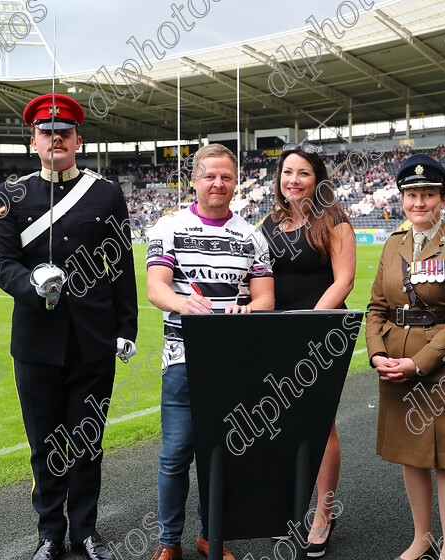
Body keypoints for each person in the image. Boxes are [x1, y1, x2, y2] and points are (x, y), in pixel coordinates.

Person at [0, 93, 138, 560]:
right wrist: (31, 283)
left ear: (79, 138)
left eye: (65, 133)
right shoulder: (12, 195)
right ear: (34, 140)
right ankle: (50, 534)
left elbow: (121, 266)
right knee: (45, 445)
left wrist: (126, 328)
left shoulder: (106, 193)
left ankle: (86, 532)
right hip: (36, 344)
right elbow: (0, 262)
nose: (57, 139)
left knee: (88, 442)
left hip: (93, 341)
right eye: (48, 133)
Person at [145, 144, 274, 560]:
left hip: (234, 361)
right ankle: (169, 544)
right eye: (209, 176)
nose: (218, 183)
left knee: (222, 458)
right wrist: (183, 304)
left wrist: (248, 309)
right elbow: (156, 287)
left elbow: (266, 299)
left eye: (226, 176)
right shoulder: (168, 226)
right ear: (195, 180)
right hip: (183, 359)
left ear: (236, 182)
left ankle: (209, 535)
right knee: (175, 456)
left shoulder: (253, 235)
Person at [366, 153, 445, 560]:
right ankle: (422, 538)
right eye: (411, 195)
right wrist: (378, 354)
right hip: (396, 368)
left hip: (443, 368)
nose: (419, 203)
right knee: (412, 457)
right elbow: (376, 308)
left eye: (428, 194)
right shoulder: (393, 243)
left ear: (443, 198)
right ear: (402, 199)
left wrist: (419, 362)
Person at [260, 143, 355, 557]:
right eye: (286, 173)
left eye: (302, 173)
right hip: (277, 334)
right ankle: (292, 504)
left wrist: (307, 324)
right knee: (284, 423)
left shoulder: (333, 220)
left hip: (321, 334)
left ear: (318, 181)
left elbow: (344, 281)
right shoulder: (270, 223)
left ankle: (324, 513)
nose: (292, 180)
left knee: (320, 425)